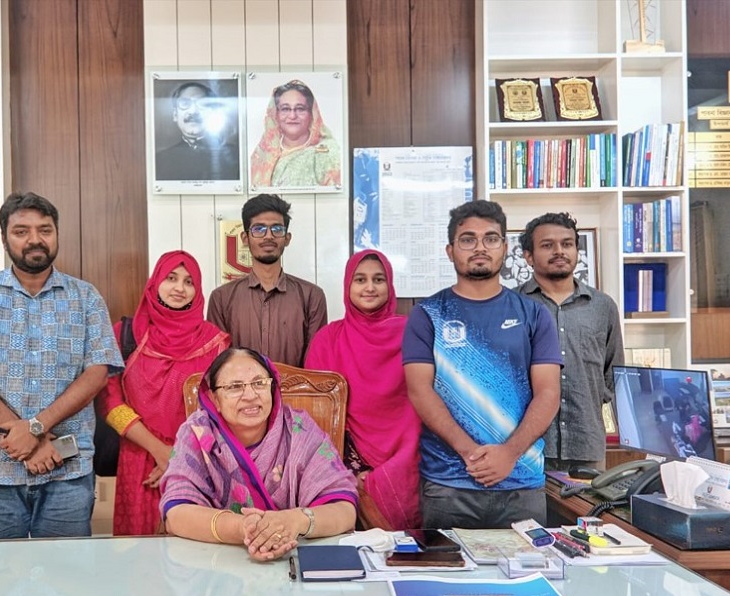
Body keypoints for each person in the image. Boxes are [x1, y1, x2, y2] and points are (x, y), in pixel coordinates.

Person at [0, 191, 124, 540]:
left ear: (57, 234)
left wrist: (37, 428)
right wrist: (25, 436)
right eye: (21, 231)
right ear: (4, 238)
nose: (35, 239)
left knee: (65, 570)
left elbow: (97, 373)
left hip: (66, 465)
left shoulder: (85, 297)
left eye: (45, 230)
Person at [403, 200, 563, 529]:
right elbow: (420, 391)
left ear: (504, 247)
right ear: (450, 251)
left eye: (490, 238)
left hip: (521, 482)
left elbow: (548, 393)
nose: (480, 247)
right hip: (448, 484)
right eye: (468, 239)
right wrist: (468, 452)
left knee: (527, 565)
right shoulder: (427, 314)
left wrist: (509, 454)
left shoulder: (534, 314)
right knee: (446, 565)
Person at [159, 348, 357, 561]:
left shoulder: (300, 430)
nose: (251, 395)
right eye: (235, 387)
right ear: (215, 399)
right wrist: (242, 528)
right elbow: (175, 514)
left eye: (259, 383)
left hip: (294, 559)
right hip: (220, 562)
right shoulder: (197, 434)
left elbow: (345, 509)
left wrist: (295, 521)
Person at [96, 250, 230, 535]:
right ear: (155, 282)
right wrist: (159, 451)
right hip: (138, 459)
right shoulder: (127, 333)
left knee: (193, 548)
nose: (179, 288)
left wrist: (178, 456)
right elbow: (109, 402)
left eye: (189, 281)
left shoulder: (215, 342)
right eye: (171, 278)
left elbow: (220, 409)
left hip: (197, 461)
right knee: (138, 551)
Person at [305, 250, 422, 531]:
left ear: (390, 285)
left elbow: (426, 403)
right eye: (360, 280)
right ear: (348, 285)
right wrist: (348, 470)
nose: (370, 287)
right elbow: (317, 416)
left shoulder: (412, 334)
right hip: (347, 468)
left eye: (378, 279)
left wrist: (394, 466)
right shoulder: (328, 340)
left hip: (410, 460)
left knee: (404, 550)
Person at [517, 212, 624, 472]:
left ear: (577, 251)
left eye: (567, 244)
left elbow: (614, 375)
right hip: (526, 448)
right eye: (547, 245)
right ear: (528, 256)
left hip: (586, 447)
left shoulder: (602, 307)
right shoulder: (511, 306)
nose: (559, 251)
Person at [207, 194, 327, 367]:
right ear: (245, 238)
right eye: (259, 229)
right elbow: (218, 366)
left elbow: (315, 365)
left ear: (287, 238)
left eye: (277, 229)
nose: (268, 236)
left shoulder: (312, 296)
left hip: (296, 386)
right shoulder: (221, 298)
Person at [249, 79, 341, 189]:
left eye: (300, 109)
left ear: (311, 114)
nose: (292, 116)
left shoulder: (328, 153)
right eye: (285, 109)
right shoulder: (262, 153)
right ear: (275, 115)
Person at [156, 81, 239, 182]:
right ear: (175, 115)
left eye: (202, 104)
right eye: (185, 103)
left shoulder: (236, 157)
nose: (193, 111)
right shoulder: (160, 160)